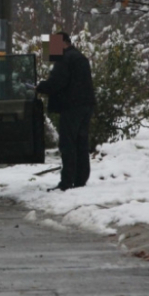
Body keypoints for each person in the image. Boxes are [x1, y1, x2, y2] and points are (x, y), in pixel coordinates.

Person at [35, 32, 96, 191]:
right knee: (81, 143)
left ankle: (67, 182)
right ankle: (80, 179)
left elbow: (57, 82)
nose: (51, 50)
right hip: (86, 106)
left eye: (52, 45)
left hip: (71, 107)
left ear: (62, 43)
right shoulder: (80, 57)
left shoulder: (65, 59)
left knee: (68, 144)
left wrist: (40, 87)